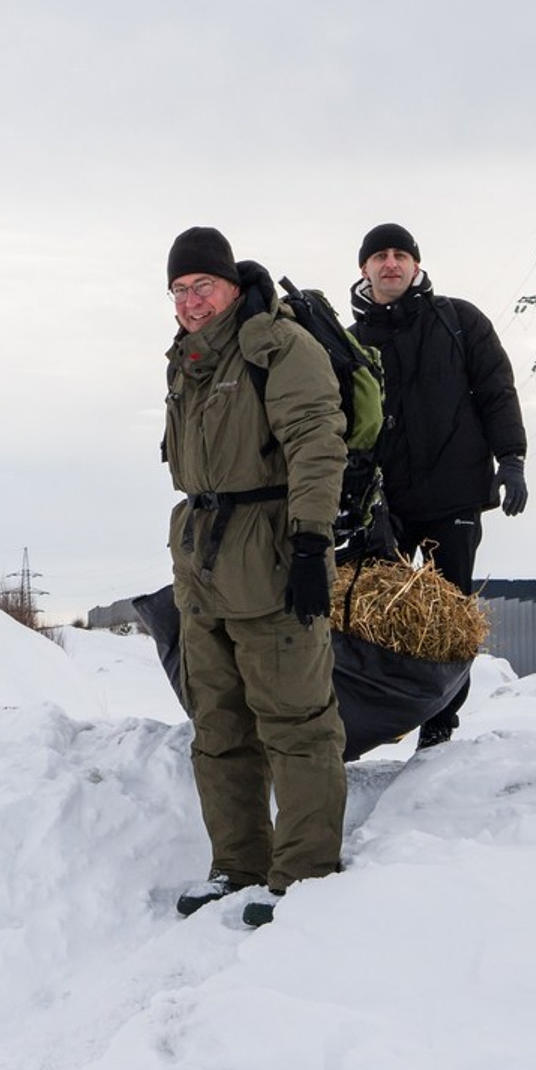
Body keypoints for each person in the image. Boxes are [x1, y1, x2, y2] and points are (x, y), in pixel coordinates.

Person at [163, 226, 348, 926]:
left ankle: (303, 873)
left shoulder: (279, 347)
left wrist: (309, 543)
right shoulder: (186, 360)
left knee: (296, 720)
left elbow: (316, 445)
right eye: (179, 291)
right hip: (204, 564)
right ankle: (236, 864)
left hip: (271, 555)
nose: (190, 301)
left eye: (201, 286)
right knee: (218, 725)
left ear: (231, 286)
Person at [349, 222, 528, 749]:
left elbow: (497, 390)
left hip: (454, 495)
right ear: (364, 269)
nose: (391, 264)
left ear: (416, 265)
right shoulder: (353, 341)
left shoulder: (459, 321)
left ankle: (441, 723)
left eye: (401, 255)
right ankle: (384, 714)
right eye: (380, 256)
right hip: (387, 504)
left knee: (453, 615)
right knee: (378, 615)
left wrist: (511, 459)